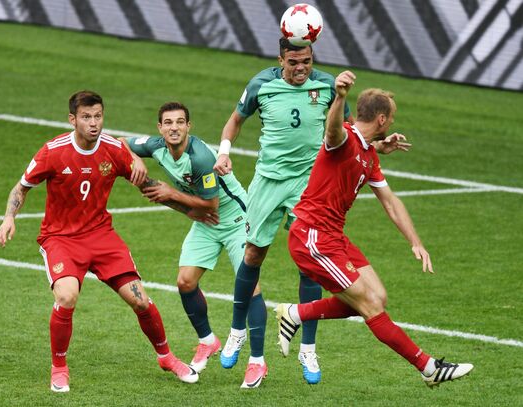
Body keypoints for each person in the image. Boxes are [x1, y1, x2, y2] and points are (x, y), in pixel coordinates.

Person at [213, 38, 410, 386]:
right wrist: (224, 152)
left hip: (309, 181)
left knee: (312, 263)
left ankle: (308, 347)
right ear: (280, 59)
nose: (301, 67)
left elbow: (349, 137)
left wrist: (380, 145)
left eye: (306, 60)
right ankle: (235, 332)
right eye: (293, 62)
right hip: (269, 180)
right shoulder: (261, 84)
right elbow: (234, 121)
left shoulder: (327, 85)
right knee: (253, 253)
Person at [275, 71, 474, 387]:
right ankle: (428, 367)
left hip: (334, 236)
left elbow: (391, 202)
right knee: (368, 305)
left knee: (377, 296)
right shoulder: (343, 141)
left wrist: (416, 242)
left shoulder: (368, 154)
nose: (393, 123)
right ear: (381, 119)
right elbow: (332, 130)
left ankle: (296, 314)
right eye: (391, 118)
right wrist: (339, 96)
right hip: (311, 237)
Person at [0, 91, 199, 392]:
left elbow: (149, 186)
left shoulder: (114, 149)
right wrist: (9, 217)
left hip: (101, 237)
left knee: (141, 300)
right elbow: (22, 187)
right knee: (66, 296)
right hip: (61, 238)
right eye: (87, 117)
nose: (94, 123)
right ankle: (59, 367)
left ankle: (166, 356)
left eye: (98, 116)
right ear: (73, 120)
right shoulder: (53, 151)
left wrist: (189, 209)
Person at [120, 102, 268, 388]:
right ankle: (208, 341)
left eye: (179, 122)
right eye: (168, 123)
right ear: (159, 128)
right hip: (205, 222)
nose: (173, 128)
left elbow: (211, 203)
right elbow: (117, 143)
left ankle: (258, 362)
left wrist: (169, 192)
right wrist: (134, 159)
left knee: (250, 288)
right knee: (185, 282)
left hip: (235, 218)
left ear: (189, 126)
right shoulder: (154, 145)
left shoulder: (200, 156)